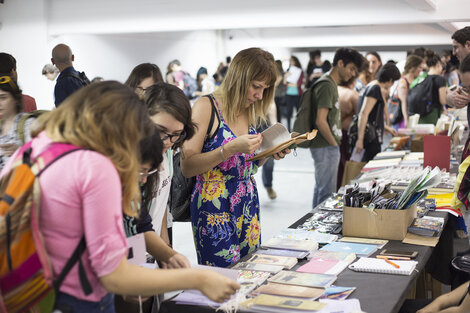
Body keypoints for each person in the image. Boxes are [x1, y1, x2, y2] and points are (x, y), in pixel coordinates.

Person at [1, 81, 239, 312]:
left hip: (34, 289)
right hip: (76, 297)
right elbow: (114, 275)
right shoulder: (96, 166)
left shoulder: (40, 146)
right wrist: (198, 279)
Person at [181, 47, 289, 267]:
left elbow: (247, 163)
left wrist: (268, 153)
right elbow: (187, 165)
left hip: (247, 200)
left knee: (250, 270)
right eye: (256, 87)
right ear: (239, 79)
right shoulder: (206, 106)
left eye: (265, 89)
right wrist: (227, 150)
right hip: (214, 205)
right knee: (223, 275)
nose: (259, 95)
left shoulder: (248, 108)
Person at [116, 127, 190, 313]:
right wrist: (200, 280)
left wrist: (167, 254)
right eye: (142, 172)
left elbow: (140, 224)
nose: (143, 181)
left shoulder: (130, 187)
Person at [306, 48, 363, 208]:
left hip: (324, 144)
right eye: (351, 68)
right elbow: (320, 120)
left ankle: (314, 225)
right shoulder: (327, 85)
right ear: (340, 63)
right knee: (326, 192)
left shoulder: (329, 84)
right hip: (325, 145)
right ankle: (318, 228)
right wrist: (334, 144)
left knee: (321, 189)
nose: (352, 74)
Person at [144, 82, 196, 246]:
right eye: (160, 131)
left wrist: (166, 246)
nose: (167, 142)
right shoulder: (131, 163)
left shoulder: (167, 152)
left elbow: (161, 202)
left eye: (176, 134)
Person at [354, 63, 401, 162]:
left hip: (371, 136)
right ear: (390, 80)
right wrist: (360, 139)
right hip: (370, 139)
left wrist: (386, 127)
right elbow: (363, 113)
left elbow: (371, 115)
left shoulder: (372, 85)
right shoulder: (375, 89)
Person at [0, 76, 37, 170]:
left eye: (3, 98)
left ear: (15, 99)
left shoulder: (28, 124)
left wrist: (20, 152)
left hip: (22, 182)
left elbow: (41, 159)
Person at [389, 54, 424, 129]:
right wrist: (405, 119)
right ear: (413, 67)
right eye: (419, 67)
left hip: (410, 116)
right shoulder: (403, 82)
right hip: (401, 118)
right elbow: (403, 102)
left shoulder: (414, 80)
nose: (421, 70)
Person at [337, 75, 359, 189]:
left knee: (336, 166)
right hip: (345, 133)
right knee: (344, 165)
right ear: (353, 81)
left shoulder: (334, 90)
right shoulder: (352, 94)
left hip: (332, 133)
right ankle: (342, 188)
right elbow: (361, 114)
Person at [418, 51, 447, 125]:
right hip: (434, 113)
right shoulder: (440, 79)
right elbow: (443, 101)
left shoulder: (422, 77)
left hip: (421, 113)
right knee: (433, 136)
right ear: (438, 64)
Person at [283, 56, 304, 131]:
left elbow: (298, 84)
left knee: (298, 112)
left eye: (292, 61)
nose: (291, 62)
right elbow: (284, 83)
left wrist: (290, 84)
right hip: (288, 94)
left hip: (297, 94)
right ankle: (288, 129)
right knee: (289, 112)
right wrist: (286, 76)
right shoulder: (288, 70)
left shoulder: (300, 71)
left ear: (296, 61)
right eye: (290, 61)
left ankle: (299, 128)